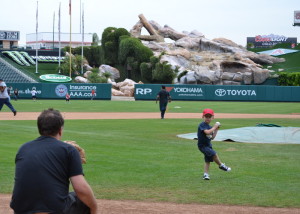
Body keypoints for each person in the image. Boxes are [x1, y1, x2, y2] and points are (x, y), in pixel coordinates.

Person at [10, 108, 98, 214]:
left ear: (40, 129)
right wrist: (95, 208)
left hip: (21, 211)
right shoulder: (69, 150)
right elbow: (81, 189)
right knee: (84, 200)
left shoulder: (23, 148)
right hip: (54, 211)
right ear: (60, 130)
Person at [197, 108, 231, 180]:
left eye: (209, 117)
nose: (208, 118)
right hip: (202, 146)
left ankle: (206, 175)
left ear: (212, 118)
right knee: (214, 154)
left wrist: (216, 129)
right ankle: (221, 165)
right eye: (206, 116)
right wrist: (215, 126)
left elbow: (212, 137)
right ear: (203, 117)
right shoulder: (202, 125)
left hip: (208, 145)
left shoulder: (210, 127)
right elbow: (207, 132)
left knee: (207, 160)